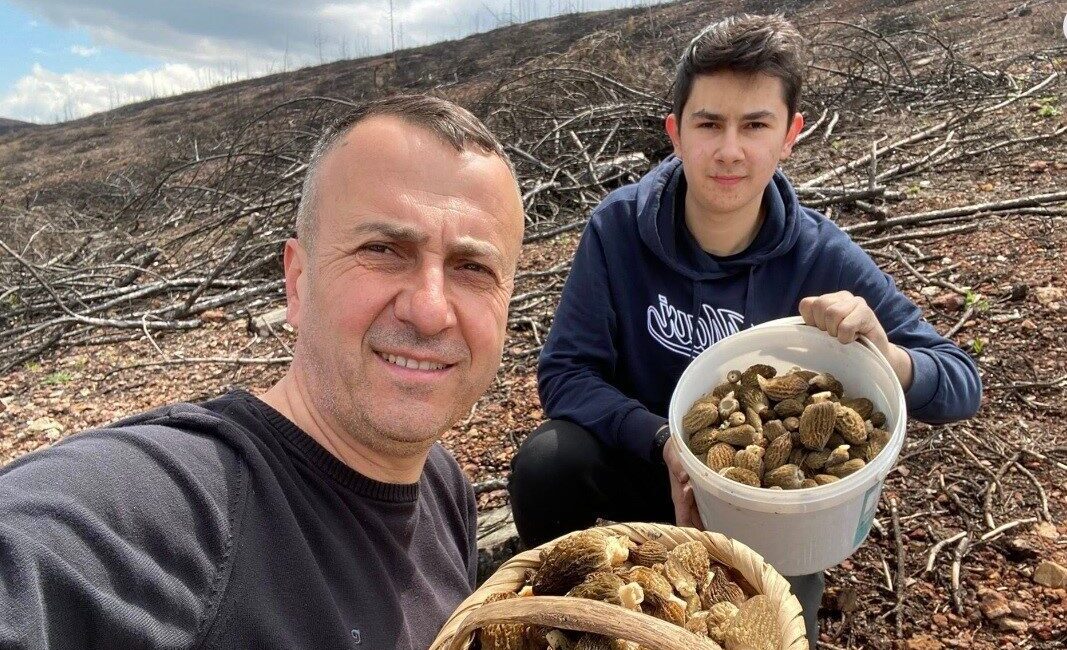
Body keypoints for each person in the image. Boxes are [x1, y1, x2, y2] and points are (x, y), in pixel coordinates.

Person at [508, 14, 981, 646]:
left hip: (765, 500)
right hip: (648, 463)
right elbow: (566, 372)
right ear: (676, 133)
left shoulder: (821, 257)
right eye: (709, 124)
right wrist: (664, 442)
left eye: (755, 125)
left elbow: (960, 381)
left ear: (790, 135)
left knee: (781, 627)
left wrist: (889, 356)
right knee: (548, 463)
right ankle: (565, 618)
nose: (730, 149)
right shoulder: (617, 230)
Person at [0, 95, 525, 648]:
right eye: (384, 250)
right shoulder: (183, 505)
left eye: (473, 268)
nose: (430, 309)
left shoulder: (443, 487)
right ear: (297, 283)